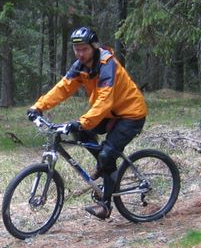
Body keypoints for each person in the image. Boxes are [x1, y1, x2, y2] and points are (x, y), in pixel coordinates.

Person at [27, 26, 147, 220]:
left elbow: (105, 100)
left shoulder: (107, 65)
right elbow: (63, 88)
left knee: (106, 153)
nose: (80, 54)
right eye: (77, 50)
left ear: (94, 47)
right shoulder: (81, 66)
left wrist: (82, 121)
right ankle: (105, 166)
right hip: (108, 114)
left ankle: (105, 205)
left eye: (84, 49)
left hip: (131, 114)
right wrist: (38, 107)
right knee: (81, 132)